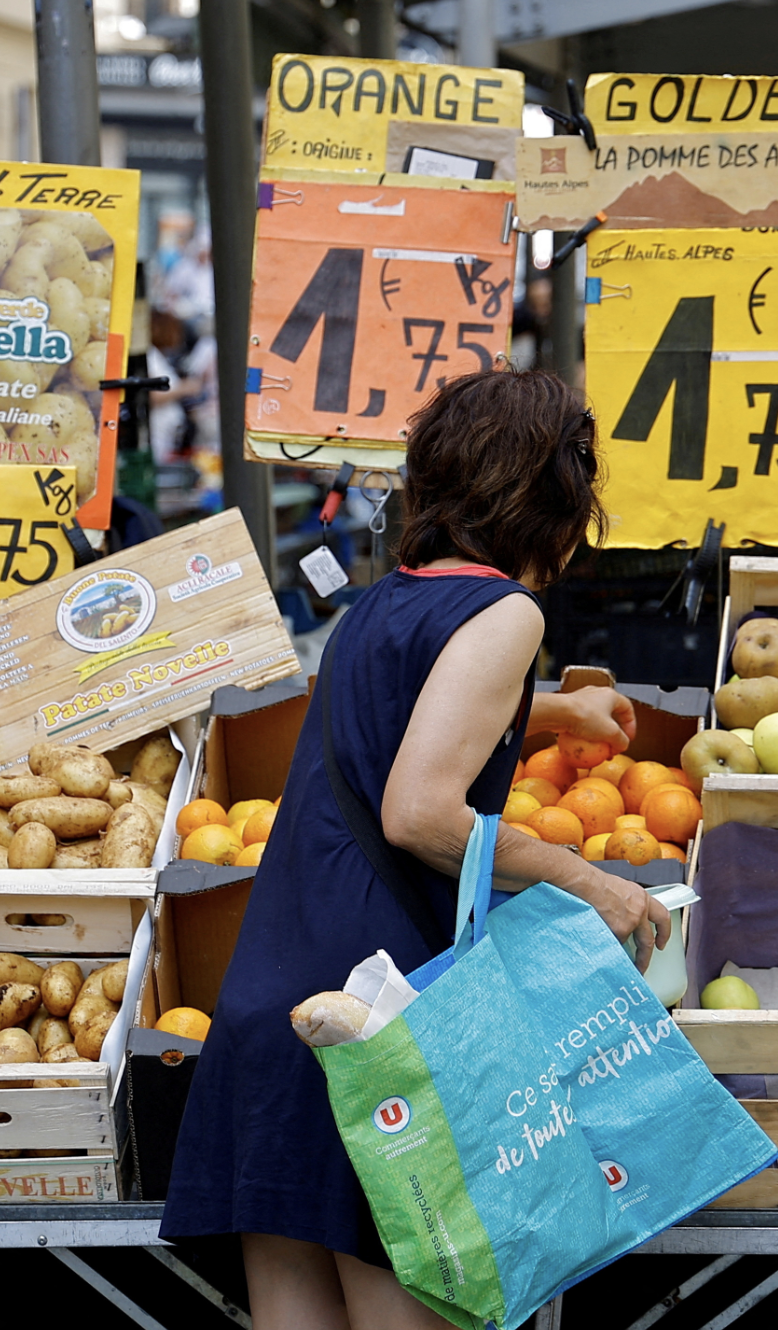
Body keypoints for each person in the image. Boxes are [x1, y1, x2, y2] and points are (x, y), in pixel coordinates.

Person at [161, 370, 672, 1330]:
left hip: (276, 999)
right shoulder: (507, 612)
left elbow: (394, 718)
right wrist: (585, 877)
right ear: (557, 493)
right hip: (379, 1022)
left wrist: (558, 710)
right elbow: (421, 813)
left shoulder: (377, 605)